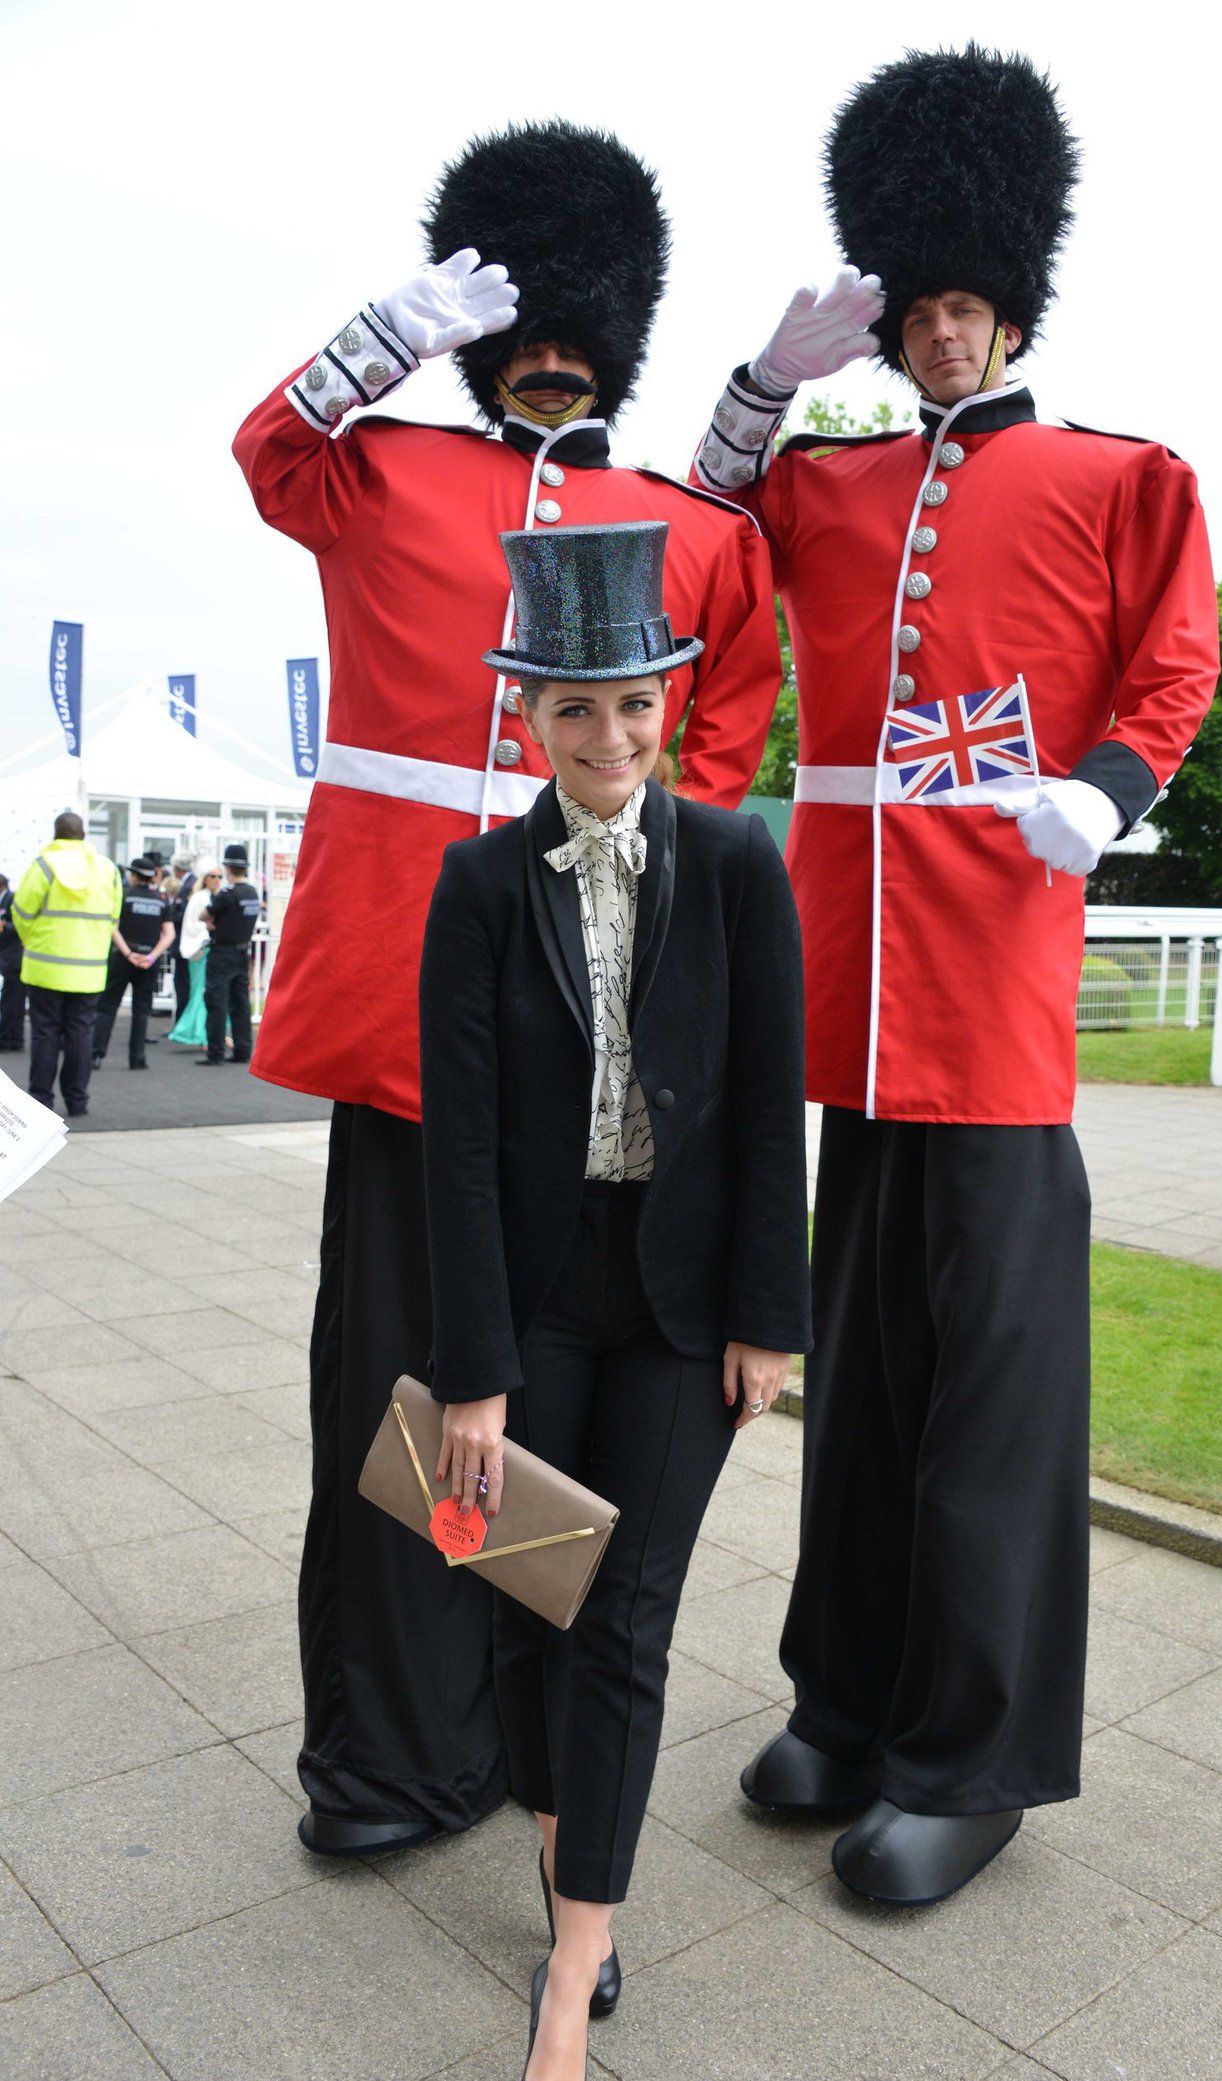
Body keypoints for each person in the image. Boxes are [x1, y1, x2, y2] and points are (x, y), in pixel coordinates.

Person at [693, 45, 1221, 1906]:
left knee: (989, 1412)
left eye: (958, 307)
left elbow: (1171, 666)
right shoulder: (827, 496)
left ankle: (970, 1754)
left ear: (1010, 307)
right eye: (910, 310)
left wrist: (1105, 787)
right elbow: (699, 531)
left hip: (993, 1024)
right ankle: (841, 1696)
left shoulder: (1114, 476)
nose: (932, 336)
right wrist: (762, 388)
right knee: (861, 1397)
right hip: (854, 1018)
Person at [232, 121, 783, 1856]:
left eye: (575, 317)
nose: (549, 345)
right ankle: (399, 1748)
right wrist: (382, 334)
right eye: (520, 316)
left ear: (616, 329)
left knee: (543, 1427)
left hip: (590, 1053)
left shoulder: (685, 528)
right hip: (404, 1028)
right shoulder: (384, 468)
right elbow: (267, 451)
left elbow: (713, 737)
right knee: (401, 1406)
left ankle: (526, 1738)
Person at [419, 521, 810, 2081]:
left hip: (680, 1298)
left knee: (625, 1620)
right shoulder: (473, 881)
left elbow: (773, 1093)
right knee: (523, 1594)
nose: (609, 735)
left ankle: (578, 1954)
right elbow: (457, 1142)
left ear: (669, 698)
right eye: (573, 709)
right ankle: (558, 1825)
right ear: (525, 718)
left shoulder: (733, 862)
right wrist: (473, 1372)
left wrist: (770, 1316)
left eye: (633, 700)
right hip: (532, 1296)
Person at [10, 812, 123, 1116]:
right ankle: (77, 1101)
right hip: (89, 971)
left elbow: (20, 912)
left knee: (45, 1033)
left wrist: (34, 941)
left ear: (55, 834)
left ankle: (41, 1101)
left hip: (45, 967)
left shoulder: (43, 866)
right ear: (84, 834)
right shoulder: (108, 870)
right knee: (81, 1033)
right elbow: (113, 917)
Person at [93, 857, 175, 1071]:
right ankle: (137, 1058)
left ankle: (96, 1054)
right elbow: (169, 934)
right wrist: (151, 957)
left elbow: (112, 928)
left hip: (122, 958)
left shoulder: (124, 897)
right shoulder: (160, 900)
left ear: (135, 876)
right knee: (141, 1010)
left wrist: (129, 953)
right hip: (149, 961)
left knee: (108, 1006)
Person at [198, 844, 261, 1065]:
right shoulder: (252, 893)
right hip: (243, 952)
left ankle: (215, 1053)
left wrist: (212, 921)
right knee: (241, 1004)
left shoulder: (227, 895)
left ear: (228, 868)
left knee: (216, 1003)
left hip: (222, 953)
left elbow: (202, 914)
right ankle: (243, 1050)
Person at [169, 865, 220, 1047]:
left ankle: (203, 1034)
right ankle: (199, 1033)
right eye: (212, 875)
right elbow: (191, 924)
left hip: (212, 951)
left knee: (207, 993)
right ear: (205, 878)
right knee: (200, 992)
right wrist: (207, 928)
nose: (216, 879)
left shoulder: (214, 897)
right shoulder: (199, 898)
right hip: (201, 951)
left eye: (219, 876)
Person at [168, 851, 199, 1022]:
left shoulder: (189, 885)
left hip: (184, 943)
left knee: (183, 984)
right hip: (184, 942)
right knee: (182, 983)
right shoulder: (189, 884)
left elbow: (184, 915)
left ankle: (182, 1021)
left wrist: (170, 913)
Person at [0, 873, 26, 1052]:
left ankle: (11, 1039)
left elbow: (20, 925)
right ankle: (12, 1038)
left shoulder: (12, 899)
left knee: (12, 1002)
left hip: (15, 957)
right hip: (8, 956)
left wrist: (5, 926)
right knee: (11, 1000)